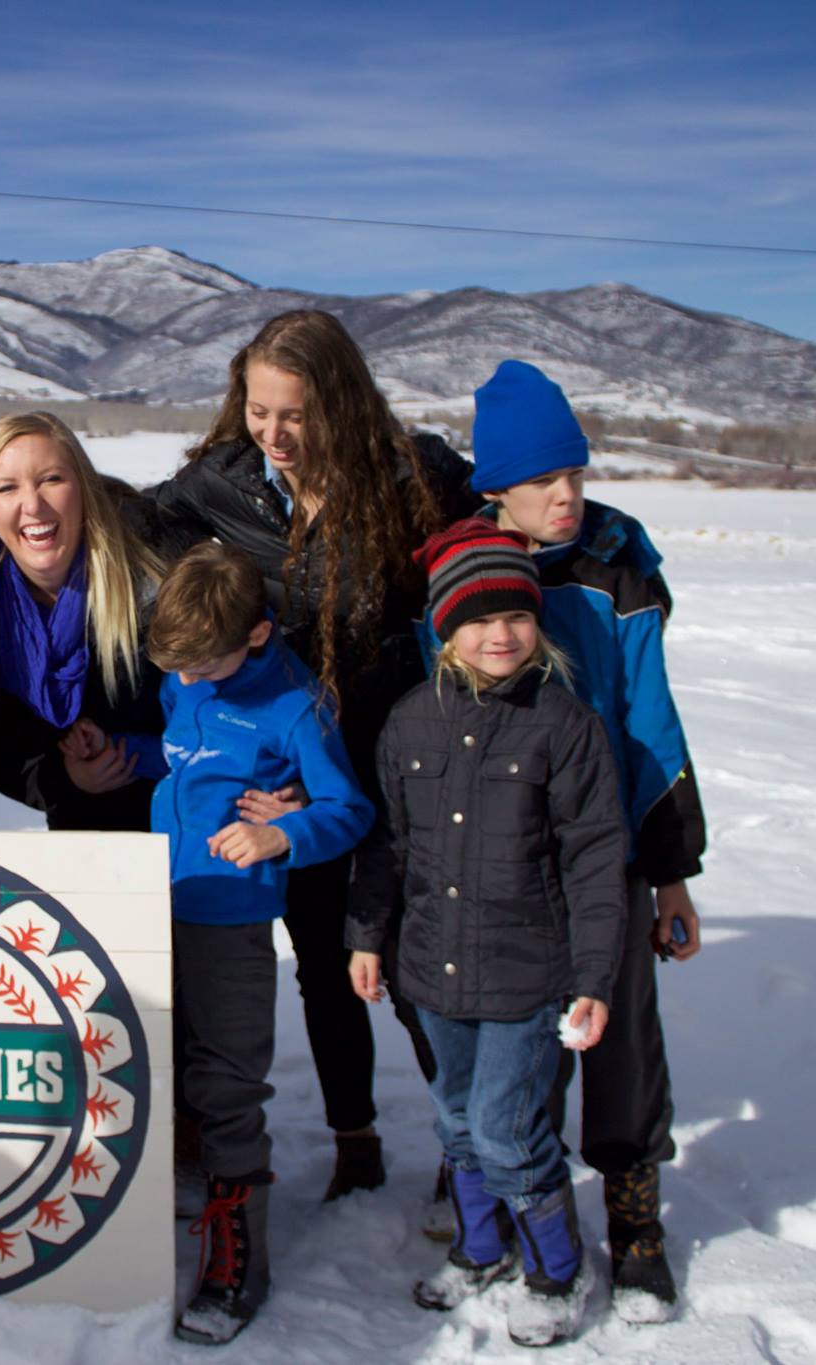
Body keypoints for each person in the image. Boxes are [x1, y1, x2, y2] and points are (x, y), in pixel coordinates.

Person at [133, 308, 473, 1200]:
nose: (276, 435)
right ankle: (350, 1132)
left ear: (342, 403)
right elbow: (134, 530)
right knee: (318, 963)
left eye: (297, 414)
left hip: (388, 764)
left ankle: (470, 1143)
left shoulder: (412, 478)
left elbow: (492, 548)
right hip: (285, 775)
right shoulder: (222, 485)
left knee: (398, 963)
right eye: (258, 411)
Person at [348, 517, 627, 1349]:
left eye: (515, 615)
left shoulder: (564, 725)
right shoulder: (408, 721)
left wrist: (593, 976)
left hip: (525, 975)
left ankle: (556, 1272)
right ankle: (479, 1248)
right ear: (444, 630)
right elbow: (387, 841)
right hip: (432, 971)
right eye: (477, 618)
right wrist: (367, 934)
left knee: (508, 1130)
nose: (498, 633)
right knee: (459, 1125)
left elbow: (594, 859)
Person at [468, 358, 707, 1322]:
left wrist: (673, 873)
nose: (567, 496)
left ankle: (634, 1214)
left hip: (607, 852)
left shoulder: (617, 564)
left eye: (576, 473)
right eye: (543, 481)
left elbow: (650, 720)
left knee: (623, 1043)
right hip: (506, 857)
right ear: (498, 489)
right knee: (515, 1048)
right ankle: (521, 1204)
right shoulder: (467, 571)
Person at [149, 542, 375, 1346]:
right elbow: (190, 767)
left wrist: (282, 837)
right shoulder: (187, 678)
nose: (187, 681)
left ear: (256, 634)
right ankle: (163, 1203)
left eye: (201, 665)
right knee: (156, 1054)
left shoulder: (296, 707)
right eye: (176, 668)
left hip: (231, 918)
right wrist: (124, 762)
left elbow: (350, 809)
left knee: (227, 1079)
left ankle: (240, 1252)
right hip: (154, 902)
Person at [0, 410, 167, 834]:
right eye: (7, 488)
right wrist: (63, 778)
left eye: (51, 480)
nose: (33, 505)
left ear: (84, 489)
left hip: (195, 830)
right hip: (84, 849)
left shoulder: (153, 579)